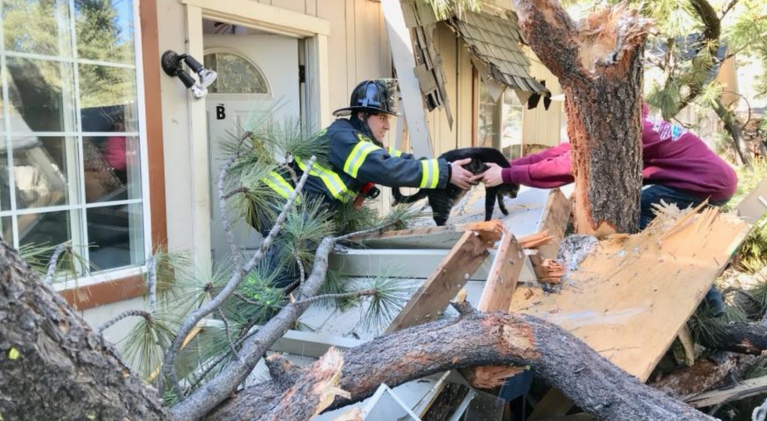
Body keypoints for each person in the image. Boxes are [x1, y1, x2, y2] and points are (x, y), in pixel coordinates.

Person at [474, 103, 737, 316]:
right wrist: (507, 166)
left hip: (705, 185)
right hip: (706, 180)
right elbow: (563, 152)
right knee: (646, 217)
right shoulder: (623, 122)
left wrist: (508, 175)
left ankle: (705, 306)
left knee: (646, 222)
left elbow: (569, 166)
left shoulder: (624, 133)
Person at [256, 79, 474, 286]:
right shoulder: (345, 138)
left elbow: (396, 161)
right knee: (288, 262)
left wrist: (444, 167)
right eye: (381, 117)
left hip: (292, 204)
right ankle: (253, 315)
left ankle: (270, 310)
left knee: (296, 260)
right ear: (362, 115)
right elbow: (384, 168)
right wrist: (444, 172)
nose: (387, 126)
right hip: (276, 199)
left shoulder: (362, 141)